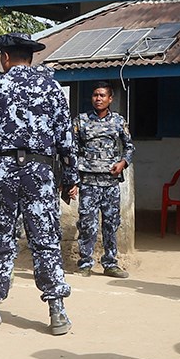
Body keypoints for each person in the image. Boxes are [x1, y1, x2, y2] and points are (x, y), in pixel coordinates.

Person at [0, 32, 79, 335]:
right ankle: (57, 311)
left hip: (2, 171)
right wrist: (70, 179)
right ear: (30, 57)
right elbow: (66, 140)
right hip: (40, 171)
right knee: (45, 239)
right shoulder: (51, 87)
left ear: (5, 58)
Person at [73, 81, 135, 278]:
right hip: (88, 182)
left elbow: (130, 147)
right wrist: (72, 181)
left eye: (102, 95)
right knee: (87, 223)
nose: (98, 99)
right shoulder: (80, 121)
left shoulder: (118, 121)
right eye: (95, 95)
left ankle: (110, 263)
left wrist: (123, 162)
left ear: (110, 99)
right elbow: (71, 151)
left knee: (111, 223)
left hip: (110, 182)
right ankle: (85, 263)